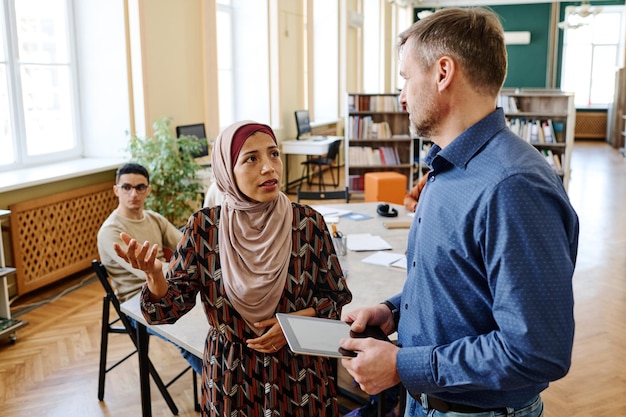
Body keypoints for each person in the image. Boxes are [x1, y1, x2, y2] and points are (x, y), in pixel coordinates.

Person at [339, 8, 579, 417]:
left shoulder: (513, 186)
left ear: (443, 72)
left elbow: (537, 351)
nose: (401, 96)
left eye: (405, 78)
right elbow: (459, 281)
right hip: (426, 402)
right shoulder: (446, 168)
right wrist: (394, 311)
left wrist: (400, 364)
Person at [113, 121, 352, 416]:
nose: (269, 167)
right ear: (227, 169)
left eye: (273, 154)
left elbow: (336, 296)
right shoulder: (204, 228)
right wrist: (154, 275)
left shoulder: (307, 223)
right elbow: (166, 309)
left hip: (299, 373)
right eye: (251, 158)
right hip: (232, 376)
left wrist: (292, 326)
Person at [97, 163, 202, 375]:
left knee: (215, 319)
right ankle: (217, 390)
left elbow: (188, 247)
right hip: (139, 304)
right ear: (116, 190)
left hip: (168, 287)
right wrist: (187, 271)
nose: (133, 193)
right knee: (192, 336)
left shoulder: (154, 218)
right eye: (126, 187)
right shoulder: (110, 231)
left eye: (140, 187)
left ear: (148, 190)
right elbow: (143, 271)